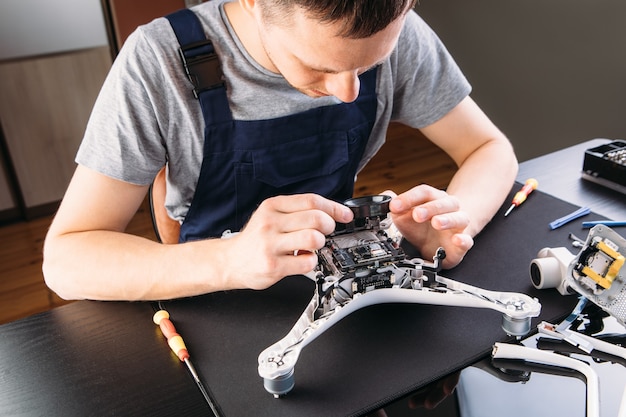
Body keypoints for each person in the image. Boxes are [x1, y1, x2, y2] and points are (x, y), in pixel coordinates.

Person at [43, 0, 517, 301]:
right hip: (211, 290)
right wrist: (231, 259)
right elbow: (66, 260)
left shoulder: (397, 31)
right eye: (318, 67)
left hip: (346, 286)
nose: (348, 92)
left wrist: (453, 226)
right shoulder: (159, 61)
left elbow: (490, 148)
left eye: (369, 65)